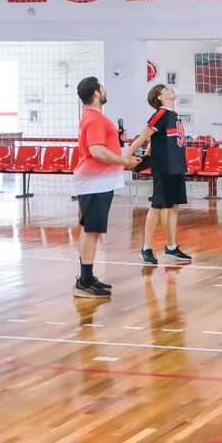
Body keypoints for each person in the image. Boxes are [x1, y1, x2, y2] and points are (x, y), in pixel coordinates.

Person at [73, 77, 141, 298]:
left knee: (89, 230)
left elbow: (101, 145)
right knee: (92, 232)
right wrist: (125, 161)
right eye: (102, 88)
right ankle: (84, 283)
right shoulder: (94, 118)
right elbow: (97, 151)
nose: (105, 90)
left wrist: (115, 138)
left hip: (96, 181)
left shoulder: (92, 117)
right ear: (96, 93)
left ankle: (86, 277)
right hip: (95, 181)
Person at [124, 84, 193, 264]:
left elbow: (155, 140)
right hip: (165, 167)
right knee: (156, 207)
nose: (171, 89)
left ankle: (171, 248)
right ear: (160, 97)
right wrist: (126, 157)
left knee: (173, 207)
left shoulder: (173, 115)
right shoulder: (160, 113)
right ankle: (146, 249)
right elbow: (143, 137)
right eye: (166, 89)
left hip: (177, 166)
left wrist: (148, 153)